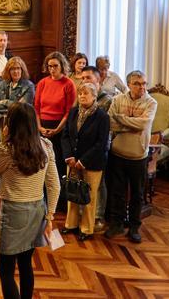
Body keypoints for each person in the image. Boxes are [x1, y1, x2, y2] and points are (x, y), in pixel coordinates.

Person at [0, 104, 60, 299]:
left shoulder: (7, 149)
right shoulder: (46, 146)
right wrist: (50, 215)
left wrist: (3, 140)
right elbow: (54, 186)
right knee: (26, 264)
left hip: (14, 212)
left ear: (11, 124)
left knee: (6, 271)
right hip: (38, 210)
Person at [104, 71, 156, 243]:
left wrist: (121, 120)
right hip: (117, 153)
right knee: (117, 192)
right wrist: (129, 125)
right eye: (137, 83)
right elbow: (110, 122)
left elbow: (144, 123)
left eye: (144, 83)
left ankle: (134, 227)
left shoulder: (151, 102)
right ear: (129, 84)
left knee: (137, 194)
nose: (142, 87)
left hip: (138, 155)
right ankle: (116, 224)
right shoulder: (118, 100)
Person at [61, 83, 110, 241]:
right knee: (72, 193)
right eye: (80, 93)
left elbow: (101, 143)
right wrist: (69, 157)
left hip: (92, 163)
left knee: (89, 197)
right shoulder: (73, 112)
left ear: (94, 96)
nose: (82, 96)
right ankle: (71, 224)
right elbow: (66, 136)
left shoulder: (102, 116)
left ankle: (87, 229)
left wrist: (83, 161)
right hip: (72, 162)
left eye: (86, 94)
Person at [0, 57, 36, 195]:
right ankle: (4, 183)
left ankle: (17, 184)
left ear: (22, 70)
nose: (15, 72)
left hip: (20, 124)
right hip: (3, 123)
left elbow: (22, 106)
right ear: (8, 71)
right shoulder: (3, 84)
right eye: (12, 69)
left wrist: (5, 102)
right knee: (4, 150)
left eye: (18, 69)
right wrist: (12, 103)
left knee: (17, 152)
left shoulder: (29, 86)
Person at [34, 52, 76, 183]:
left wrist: (57, 129)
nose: (52, 69)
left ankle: (59, 198)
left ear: (62, 66)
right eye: (50, 66)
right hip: (42, 126)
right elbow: (36, 108)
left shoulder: (68, 84)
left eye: (55, 66)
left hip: (60, 127)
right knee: (41, 161)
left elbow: (69, 111)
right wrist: (40, 127)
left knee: (57, 163)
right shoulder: (42, 83)